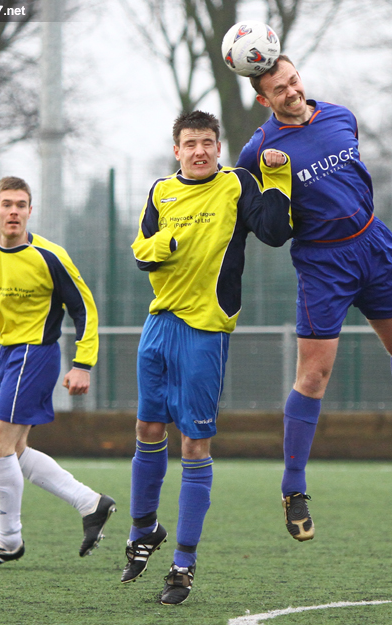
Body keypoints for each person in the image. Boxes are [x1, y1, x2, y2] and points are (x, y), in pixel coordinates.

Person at [236, 55, 392, 542]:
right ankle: (293, 488)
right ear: (264, 99)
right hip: (323, 264)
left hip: (373, 244)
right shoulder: (257, 149)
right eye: (279, 89)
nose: (291, 91)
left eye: (293, 80)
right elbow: (259, 219)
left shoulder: (342, 117)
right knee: (314, 374)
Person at [121, 110, 292, 605]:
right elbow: (140, 251)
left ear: (219, 148)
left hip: (204, 331)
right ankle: (143, 530)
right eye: (190, 143)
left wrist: (276, 176)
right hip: (158, 325)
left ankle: (183, 564)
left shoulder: (238, 184)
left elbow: (277, 233)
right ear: (176, 150)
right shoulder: (160, 192)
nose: (199, 151)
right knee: (148, 430)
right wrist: (165, 244)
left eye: (208, 143)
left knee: (195, 444)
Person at [0, 176, 116, 568]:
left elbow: (85, 309)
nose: (14, 211)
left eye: (22, 204)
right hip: (9, 353)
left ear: (31, 211)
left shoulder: (51, 256)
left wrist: (83, 363)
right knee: (14, 450)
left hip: (37, 355)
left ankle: (8, 541)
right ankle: (91, 503)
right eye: (7, 204)